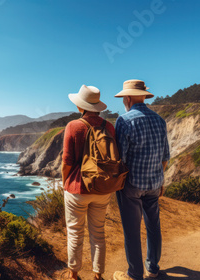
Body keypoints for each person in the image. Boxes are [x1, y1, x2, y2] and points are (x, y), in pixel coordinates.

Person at [111, 80, 170, 280]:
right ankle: (152, 268)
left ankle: (134, 274)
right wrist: (160, 181)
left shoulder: (124, 121)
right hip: (154, 183)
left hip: (132, 185)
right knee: (153, 225)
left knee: (132, 230)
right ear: (144, 96)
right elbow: (165, 156)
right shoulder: (160, 120)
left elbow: (122, 158)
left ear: (127, 98)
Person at [62, 84, 116, 280]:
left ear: (80, 106)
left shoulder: (73, 126)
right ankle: (98, 274)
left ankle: (73, 274)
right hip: (102, 187)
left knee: (75, 231)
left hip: (78, 188)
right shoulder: (109, 126)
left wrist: (64, 182)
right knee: (98, 232)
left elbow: (66, 161)